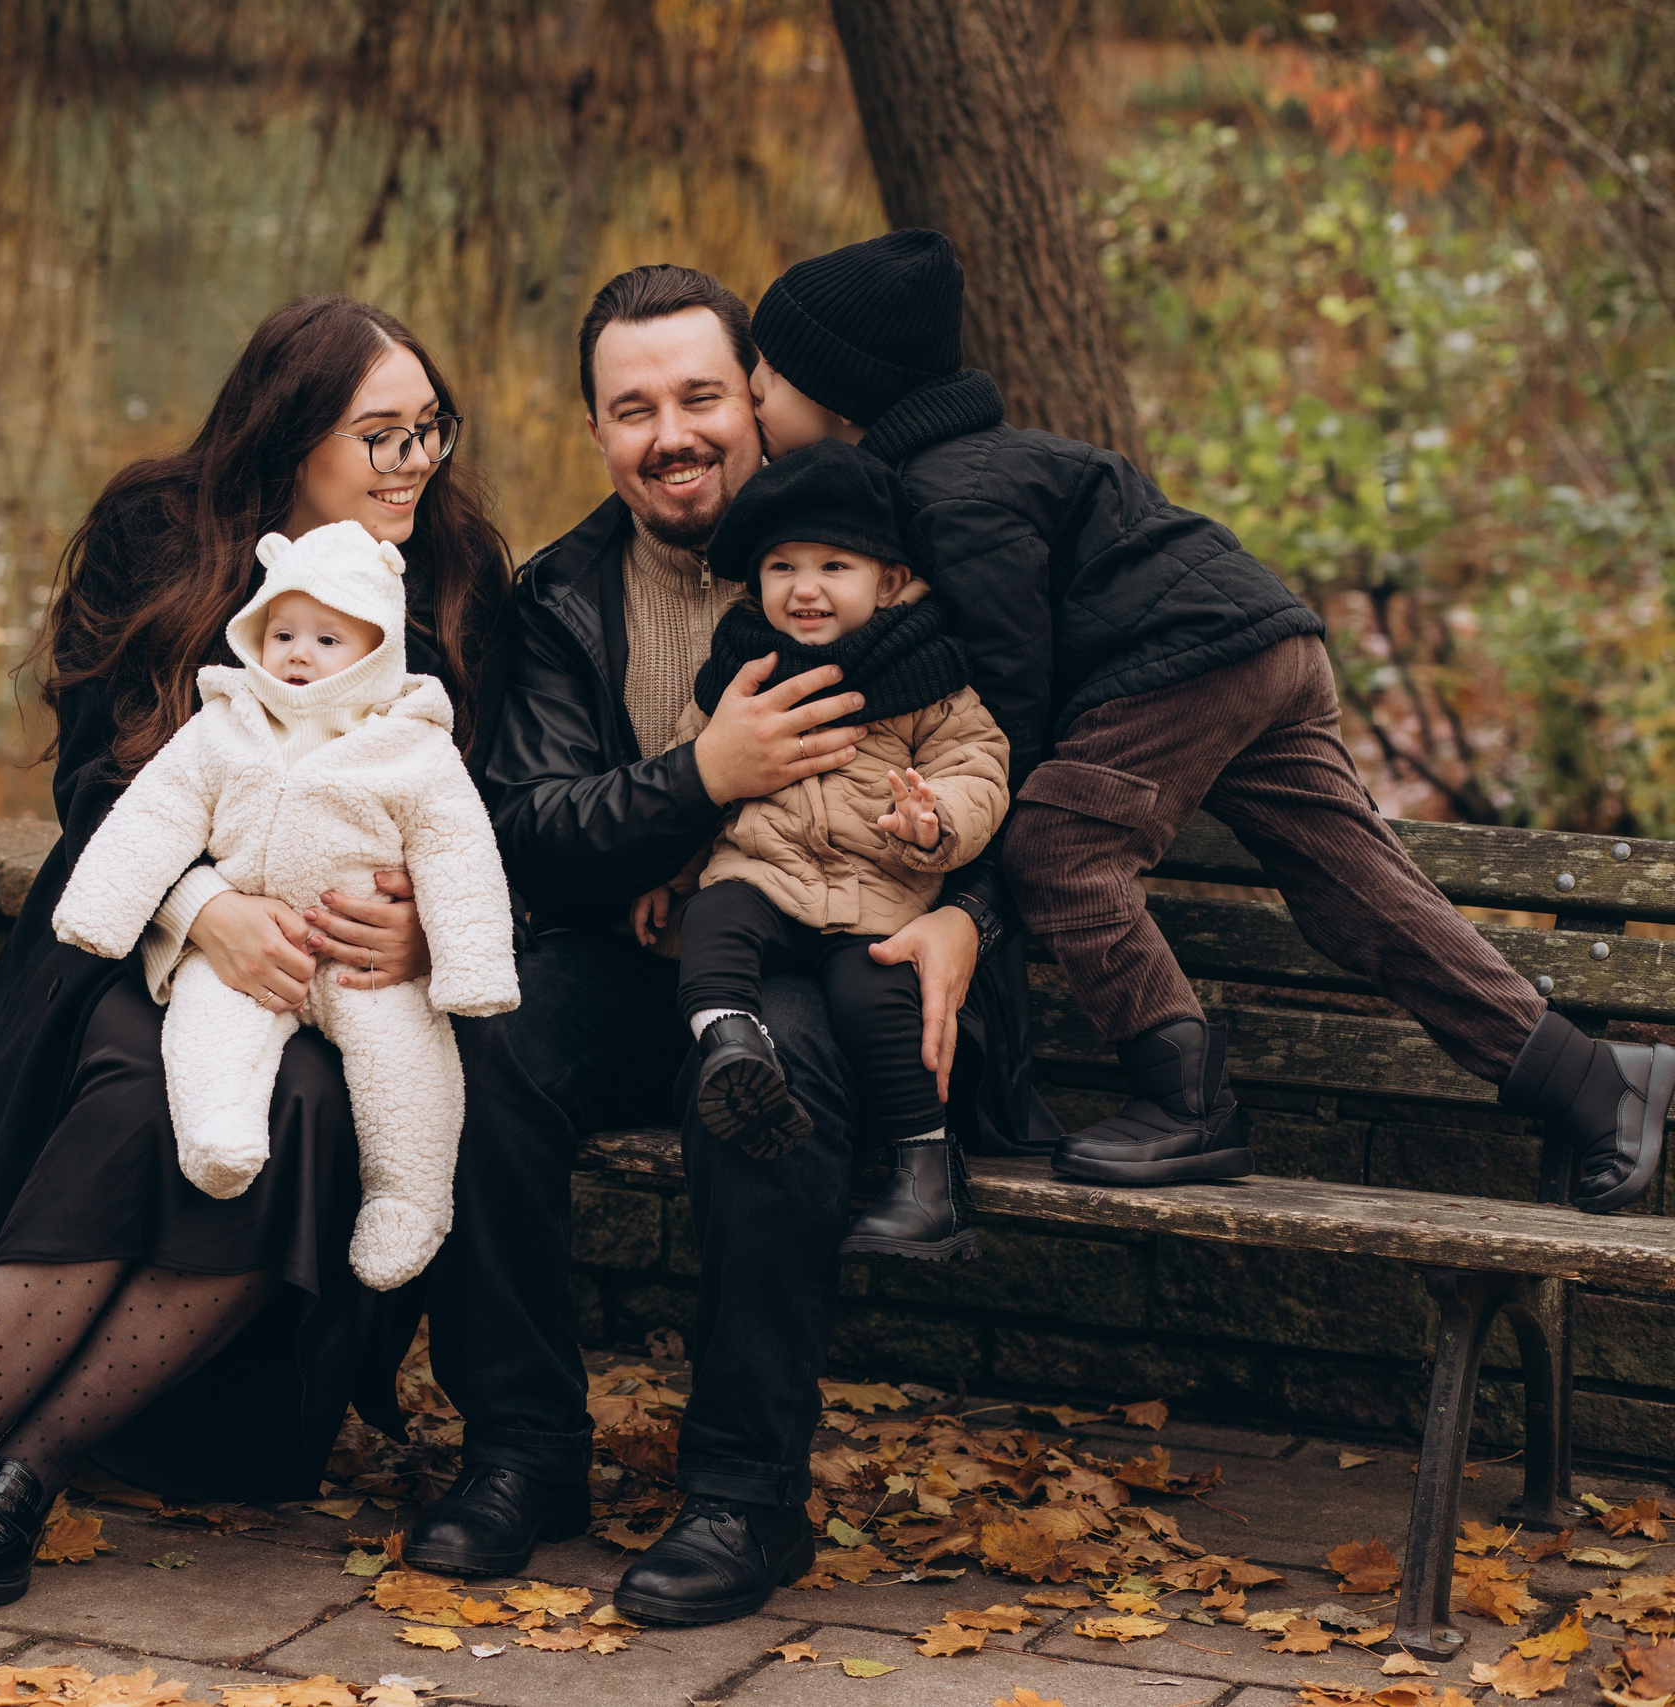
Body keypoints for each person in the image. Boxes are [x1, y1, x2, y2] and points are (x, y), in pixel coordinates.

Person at [0, 296, 514, 1620]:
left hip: (352, 986)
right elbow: (86, 783)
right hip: (134, 940)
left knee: (295, 1112)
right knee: (134, 1100)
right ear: (291, 440)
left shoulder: (453, 574)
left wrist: (419, 930)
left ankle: (18, 1477)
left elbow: (478, 812)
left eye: (429, 430)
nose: (415, 462)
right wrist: (198, 904)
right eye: (381, 434)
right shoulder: (158, 533)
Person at [744, 228, 1671, 1210]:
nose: (754, 388)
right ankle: (1590, 1081)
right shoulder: (977, 467)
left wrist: (964, 876)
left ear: (837, 393)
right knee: (1347, 889)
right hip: (1264, 646)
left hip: (1181, 666)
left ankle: (1184, 1102)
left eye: (767, 370)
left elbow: (1008, 702)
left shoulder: (944, 493)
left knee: (1057, 845)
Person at [404, 264, 1050, 1629]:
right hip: (639, 961)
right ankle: (524, 1451)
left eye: (701, 394)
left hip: (831, 962)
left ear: (755, 399)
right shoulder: (567, 592)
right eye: (632, 408)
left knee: (775, 1090)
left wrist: (965, 919)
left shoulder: (884, 548)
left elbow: (1004, 778)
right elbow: (524, 823)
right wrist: (702, 775)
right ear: (594, 431)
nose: (672, 432)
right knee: (487, 1048)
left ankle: (745, 1496)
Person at [51, 521, 519, 1291]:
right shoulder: (225, 725)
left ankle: (408, 1199)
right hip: (240, 950)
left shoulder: (410, 743)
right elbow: (156, 813)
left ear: (378, 648)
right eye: (284, 633)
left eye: (329, 638)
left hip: (362, 963)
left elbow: (457, 849)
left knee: (404, 1068)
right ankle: (219, 1133)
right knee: (206, 1029)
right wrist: (103, 909)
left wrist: (468, 965)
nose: (299, 652)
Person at [634, 441, 1009, 1262]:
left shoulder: (928, 677)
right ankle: (732, 1043)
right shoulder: (743, 670)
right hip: (762, 874)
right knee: (715, 920)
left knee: (881, 998)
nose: (803, 588)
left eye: (834, 564)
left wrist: (933, 818)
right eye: (781, 566)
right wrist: (673, 869)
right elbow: (693, 770)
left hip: (880, 894)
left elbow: (979, 767)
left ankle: (928, 1177)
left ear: (894, 581)